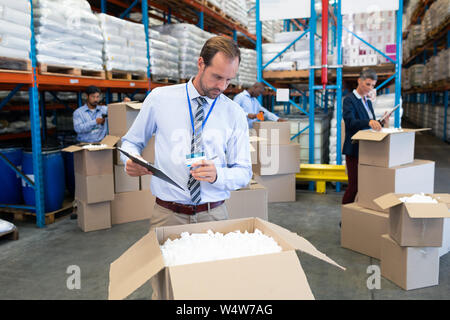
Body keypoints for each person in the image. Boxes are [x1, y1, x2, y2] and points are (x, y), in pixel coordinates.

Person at [120, 36, 252, 230]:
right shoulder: (159, 99)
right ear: (201, 63)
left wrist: (218, 175)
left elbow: (244, 172)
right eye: (217, 77)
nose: (222, 87)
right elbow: (131, 142)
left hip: (213, 215)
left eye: (229, 80)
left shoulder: (234, 113)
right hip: (167, 215)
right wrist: (130, 161)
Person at [342, 68, 388, 205]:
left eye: (373, 85)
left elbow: (369, 124)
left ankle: (357, 215)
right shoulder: (349, 100)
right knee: (354, 186)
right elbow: (351, 123)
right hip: (355, 149)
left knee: (366, 185)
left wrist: (381, 121)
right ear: (359, 81)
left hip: (368, 148)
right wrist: (369, 121)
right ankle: (346, 218)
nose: (370, 88)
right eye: (368, 84)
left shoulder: (367, 101)